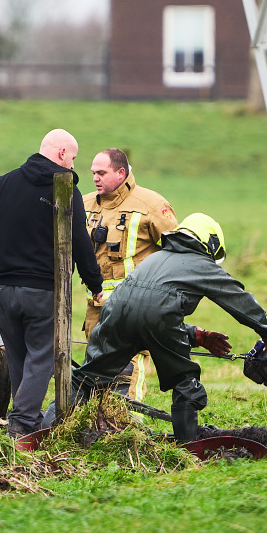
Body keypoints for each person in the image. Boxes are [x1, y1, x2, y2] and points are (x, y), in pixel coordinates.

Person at [73, 213, 267, 443]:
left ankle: (51, 429)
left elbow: (142, 311)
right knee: (186, 383)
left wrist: (197, 335)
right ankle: (188, 448)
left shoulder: (154, 259)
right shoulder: (202, 264)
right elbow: (238, 300)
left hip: (114, 311)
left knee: (87, 378)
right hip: (156, 315)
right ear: (210, 244)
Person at [0, 129, 104, 438]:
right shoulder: (65, 190)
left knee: (18, 356)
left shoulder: (2, 184)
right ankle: (23, 426)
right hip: (42, 290)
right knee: (42, 356)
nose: (73, 165)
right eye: (73, 158)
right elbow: (80, 240)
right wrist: (94, 281)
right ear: (62, 154)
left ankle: (23, 417)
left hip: (4, 291)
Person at [82, 148, 178, 401]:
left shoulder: (152, 206)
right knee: (95, 371)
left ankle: (127, 427)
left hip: (132, 309)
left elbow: (178, 255)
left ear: (121, 172)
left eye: (102, 173)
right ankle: (97, 426)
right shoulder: (85, 204)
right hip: (96, 307)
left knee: (128, 371)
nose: (95, 178)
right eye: (93, 173)